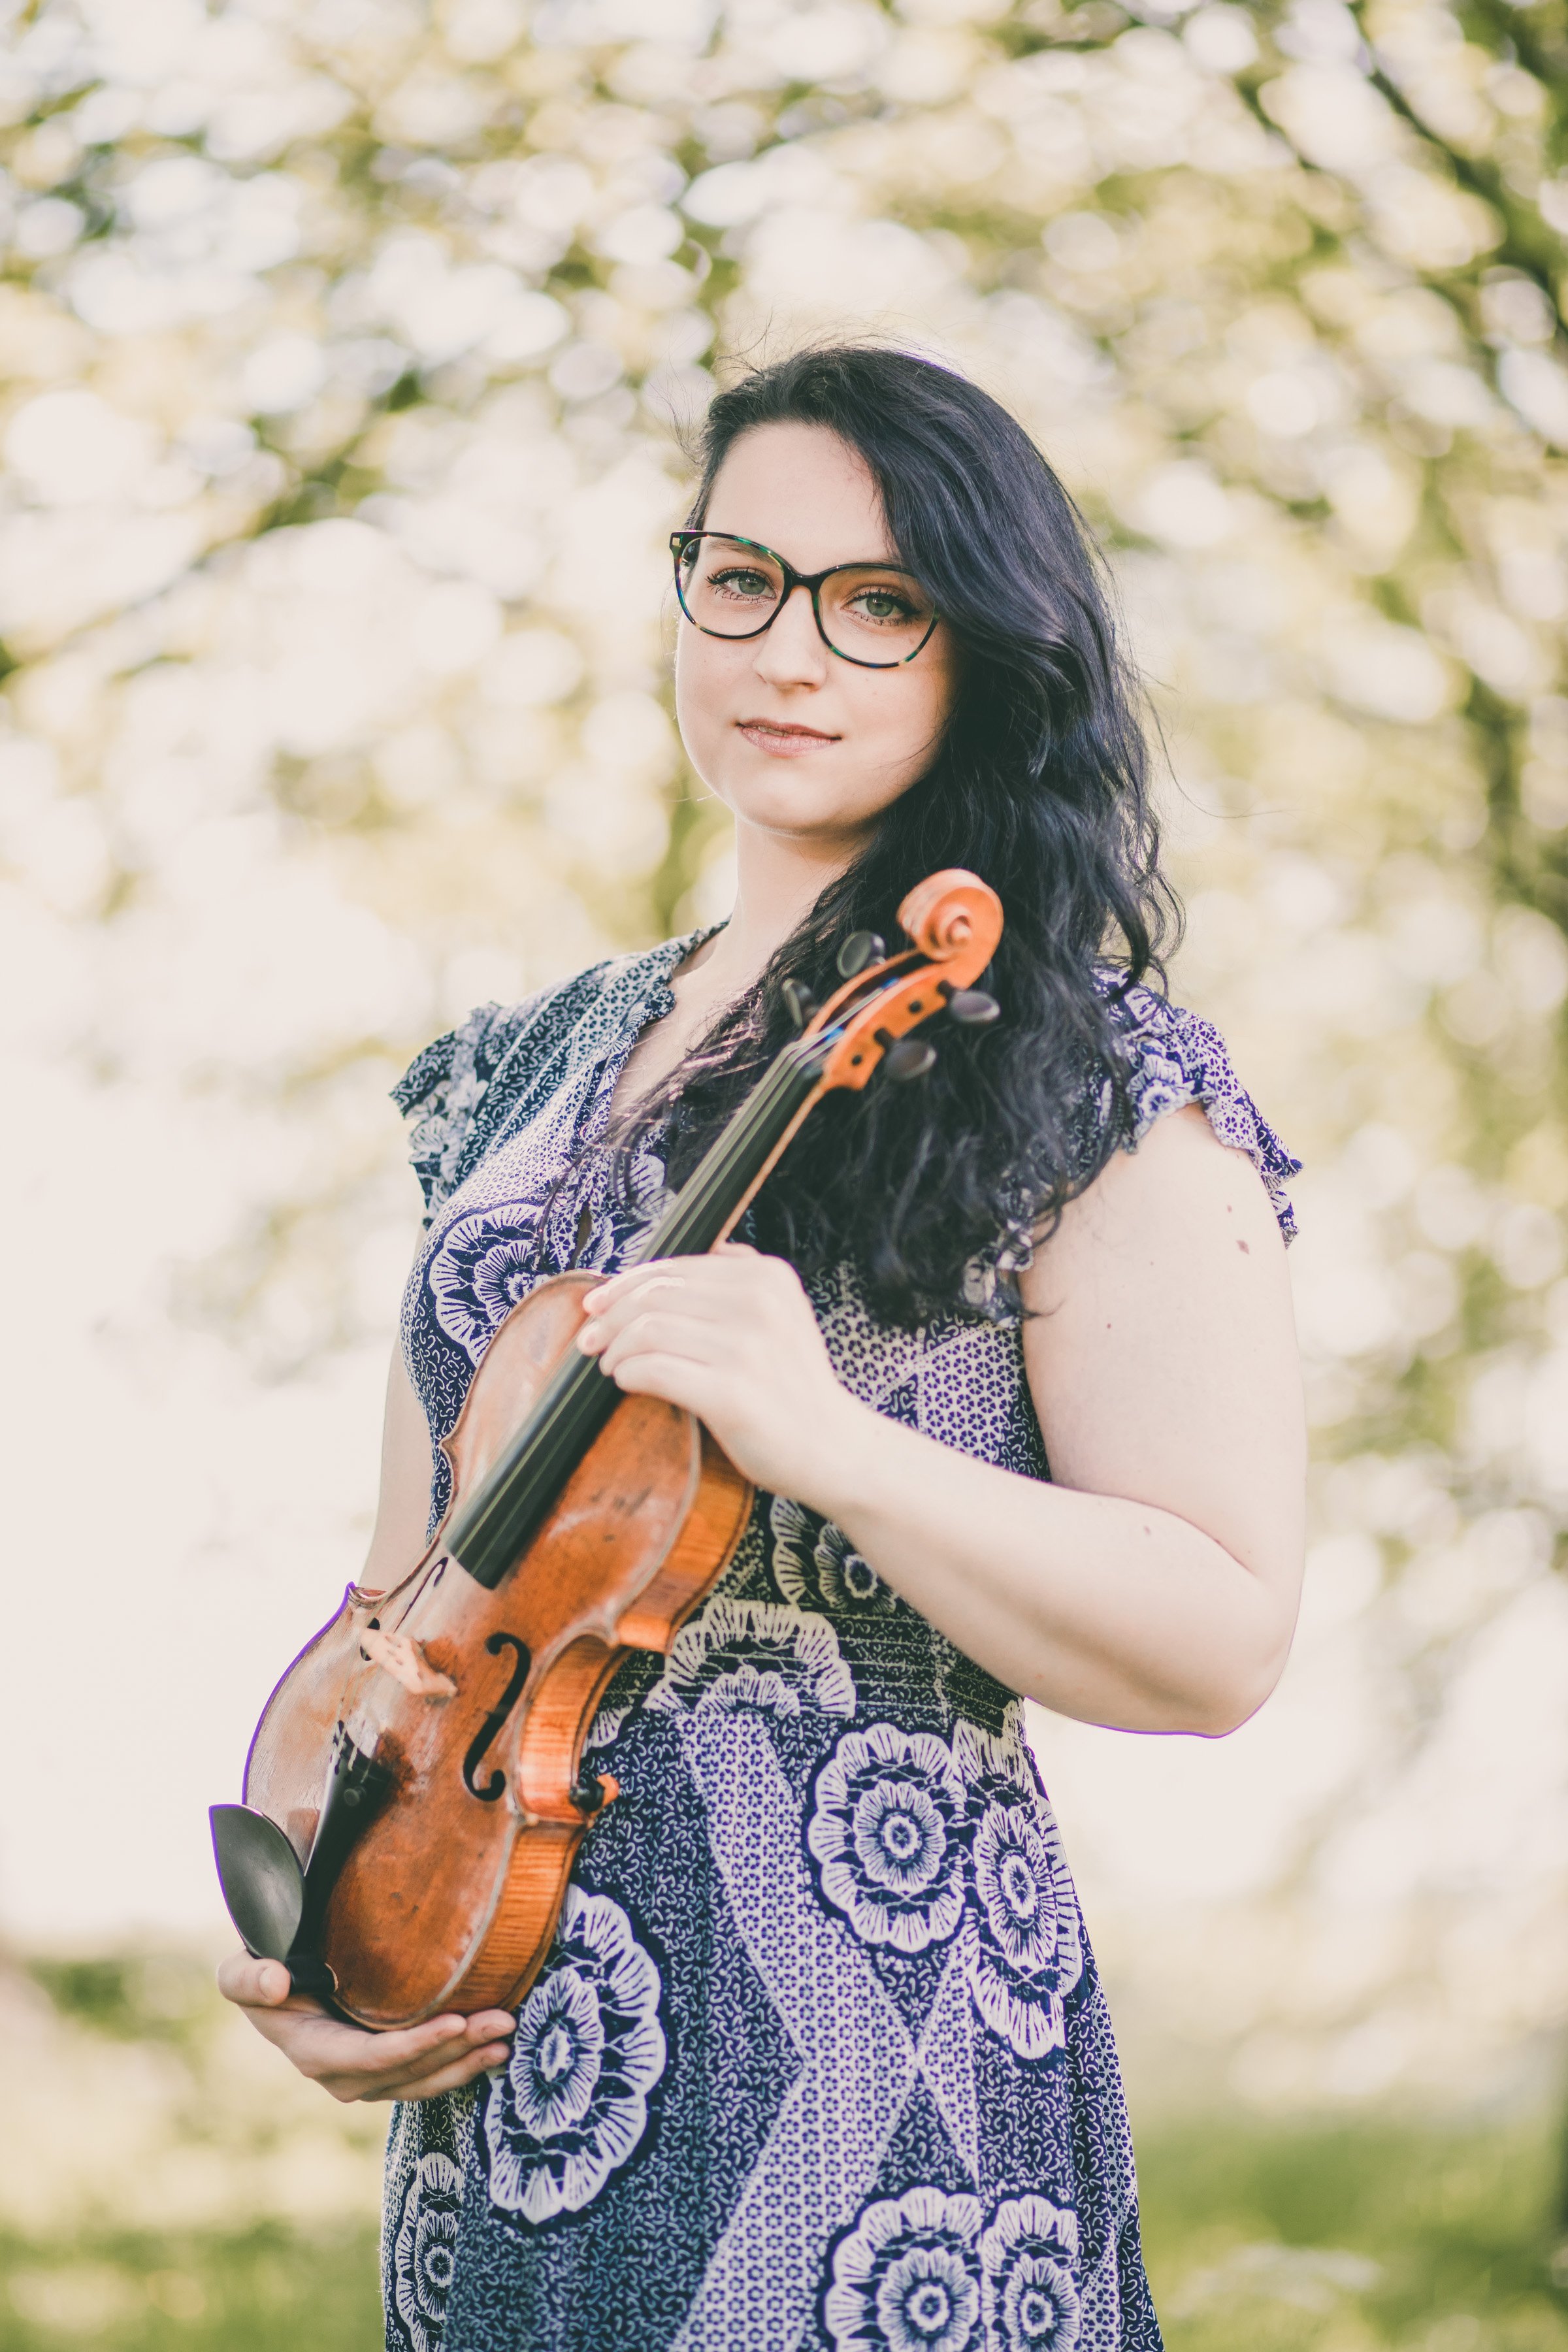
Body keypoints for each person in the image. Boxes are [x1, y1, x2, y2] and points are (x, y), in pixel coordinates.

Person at [220, 343, 1305, 2352]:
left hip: (874, 2091)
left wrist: (836, 1442)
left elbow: (1222, 1633)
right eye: (742, 577)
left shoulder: (1088, 1083)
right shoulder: (520, 1071)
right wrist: (325, 1918)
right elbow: (409, 1593)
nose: (790, 649)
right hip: (507, 2085)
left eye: (878, 603)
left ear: (986, 647)